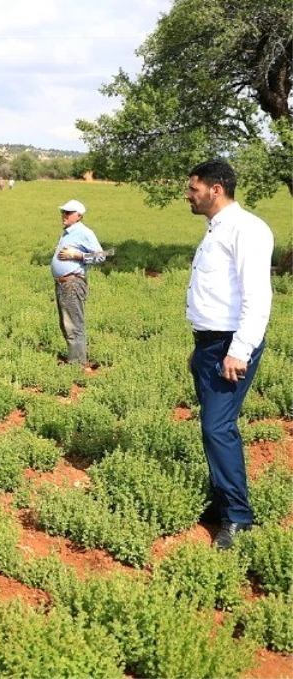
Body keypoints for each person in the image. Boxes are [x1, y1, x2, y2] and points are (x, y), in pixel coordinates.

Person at [184, 159, 273, 549]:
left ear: (215, 189)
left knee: (217, 428)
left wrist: (237, 351)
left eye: (193, 188)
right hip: (210, 345)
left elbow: (258, 296)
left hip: (229, 345)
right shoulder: (215, 229)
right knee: (214, 426)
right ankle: (223, 503)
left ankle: (238, 518)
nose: (188, 194)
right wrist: (200, 350)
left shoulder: (246, 229)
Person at [51, 199, 110, 366]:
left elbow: (102, 256)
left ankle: (77, 365)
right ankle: (74, 359)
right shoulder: (67, 232)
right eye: (63, 211)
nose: (64, 215)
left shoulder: (84, 232)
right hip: (63, 283)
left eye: (68, 213)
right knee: (66, 324)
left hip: (73, 283)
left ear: (79, 216)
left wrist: (78, 256)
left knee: (74, 324)